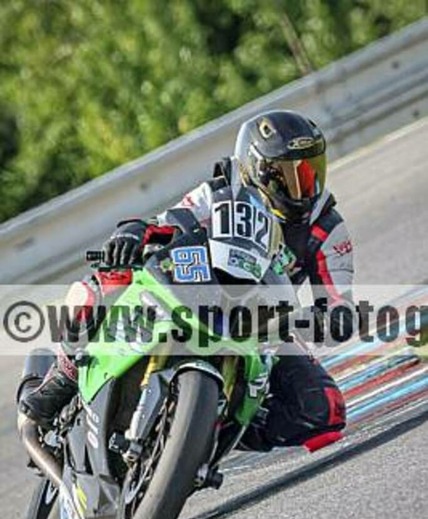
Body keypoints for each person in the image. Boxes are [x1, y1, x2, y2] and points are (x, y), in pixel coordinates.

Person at [19, 110, 353, 453]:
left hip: (262, 321)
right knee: (109, 279)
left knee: (323, 411)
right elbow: (166, 223)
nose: (305, 187)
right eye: (290, 175)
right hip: (197, 285)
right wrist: (133, 232)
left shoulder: (326, 225)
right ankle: (65, 373)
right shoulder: (220, 192)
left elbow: (339, 299)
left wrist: (335, 316)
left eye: (312, 170)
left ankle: (211, 431)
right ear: (259, 170)